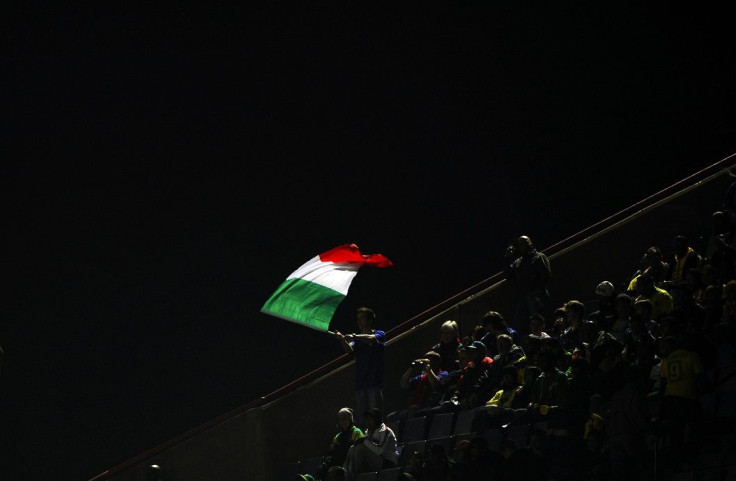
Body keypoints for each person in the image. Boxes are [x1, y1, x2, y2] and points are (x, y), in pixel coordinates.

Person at [334, 307, 386, 427]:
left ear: (370, 320)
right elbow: (349, 350)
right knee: (364, 421)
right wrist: (342, 339)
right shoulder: (357, 339)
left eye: (362, 319)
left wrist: (354, 336)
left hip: (374, 383)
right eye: (358, 319)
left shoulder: (379, 333)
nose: (359, 322)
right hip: (360, 383)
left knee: (376, 419)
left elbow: (372, 340)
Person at [505, 235, 551, 335]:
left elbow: (546, 276)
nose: (523, 246)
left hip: (535, 295)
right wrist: (508, 259)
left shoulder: (539, 257)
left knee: (538, 323)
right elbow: (509, 275)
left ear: (530, 244)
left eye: (525, 243)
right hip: (523, 297)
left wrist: (538, 291)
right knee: (519, 324)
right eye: (520, 244)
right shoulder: (518, 261)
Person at [388, 351, 449, 422]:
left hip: (430, 405)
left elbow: (434, 384)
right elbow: (403, 384)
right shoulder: (422, 377)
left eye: (430, 361)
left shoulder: (443, 373)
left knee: (414, 411)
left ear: (437, 362)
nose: (426, 364)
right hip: (416, 406)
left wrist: (428, 367)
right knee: (391, 417)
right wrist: (411, 367)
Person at [343, 408, 398, 478]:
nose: (367, 421)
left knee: (361, 448)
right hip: (374, 461)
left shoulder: (386, 431)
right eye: (366, 419)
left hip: (387, 463)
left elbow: (379, 451)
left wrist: (364, 441)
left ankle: (350, 476)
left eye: (370, 419)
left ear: (377, 419)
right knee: (352, 448)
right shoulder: (368, 432)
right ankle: (344, 473)